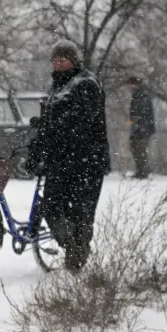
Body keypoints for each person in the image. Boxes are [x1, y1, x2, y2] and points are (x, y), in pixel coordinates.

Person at [26, 40, 111, 271]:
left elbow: (82, 123)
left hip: (87, 161)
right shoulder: (54, 86)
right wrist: (36, 149)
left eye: (62, 60)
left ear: (73, 61)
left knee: (80, 212)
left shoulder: (86, 84)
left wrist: (53, 128)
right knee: (51, 207)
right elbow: (48, 126)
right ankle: (73, 247)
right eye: (54, 60)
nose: (57, 64)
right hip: (60, 161)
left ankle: (77, 261)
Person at [126, 76, 155, 179]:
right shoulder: (139, 94)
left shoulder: (140, 95)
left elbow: (139, 114)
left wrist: (133, 123)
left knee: (140, 150)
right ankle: (141, 171)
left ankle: (143, 172)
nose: (128, 87)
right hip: (140, 128)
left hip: (142, 129)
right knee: (136, 149)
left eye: (130, 84)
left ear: (135, 84)